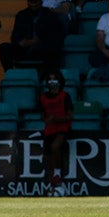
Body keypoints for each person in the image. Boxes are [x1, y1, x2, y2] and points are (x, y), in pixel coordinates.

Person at [0, 0, 65, 70]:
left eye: (35, 6)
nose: (33, 9)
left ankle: (48, 76)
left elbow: (56, 35)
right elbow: (14, 36)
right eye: (31, 6)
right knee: (3, 48)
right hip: (24, 49)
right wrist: (21, 42)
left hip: (43, 49)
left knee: (53, 50)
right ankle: (11, 74)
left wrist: (39, 41)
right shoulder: (21, 15)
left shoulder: (49, 15)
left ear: (40, 3)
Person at [39, 68, 72, 197]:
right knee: (49, 153)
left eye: (55, 79)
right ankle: (53, 180)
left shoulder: (65, 96)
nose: (52, 82)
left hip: (63, 128)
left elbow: (70, 115)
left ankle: (57, 173)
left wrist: (57, 119)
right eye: (50, 79)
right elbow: (42, 116)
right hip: (49, 129)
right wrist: (48, 119)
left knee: (55, 146)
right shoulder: (43, 98)